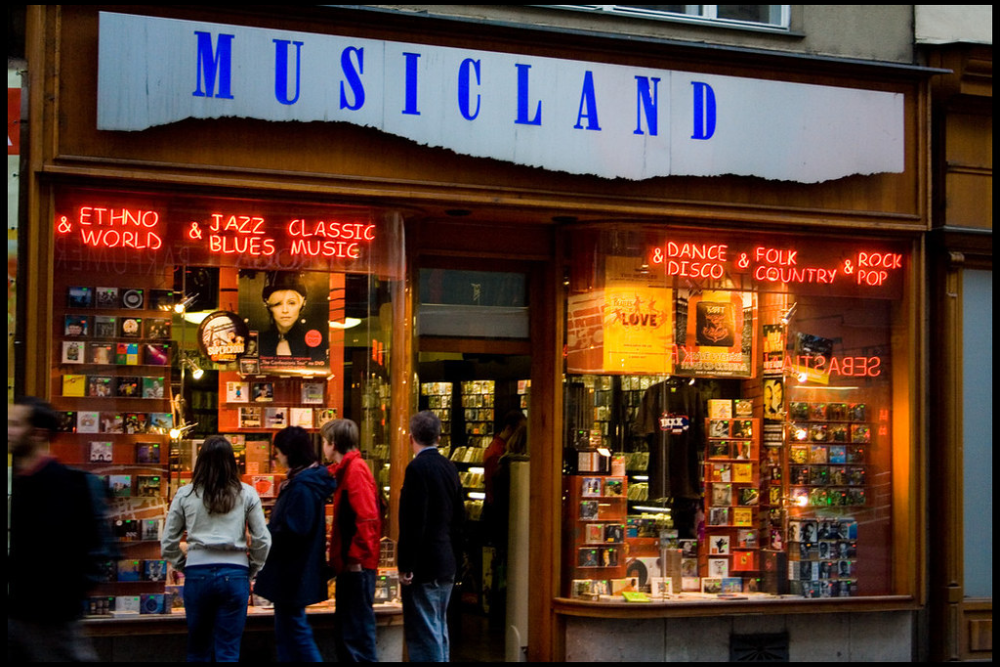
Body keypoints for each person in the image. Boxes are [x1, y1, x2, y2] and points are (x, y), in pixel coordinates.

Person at [8, 397, 113, 662]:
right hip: (25, 617)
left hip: (51, 620)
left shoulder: (61, 485)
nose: (8, 430)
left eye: (15, 424)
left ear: (37, 433)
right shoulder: (22, 481)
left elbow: (71, 554)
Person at [161, 435, 271, 662]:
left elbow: (168, 542)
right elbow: (262, 540)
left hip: (197, 574)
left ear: (200, 461)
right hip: (235, 573)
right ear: (232, 462)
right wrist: (252, 568)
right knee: (228, 651)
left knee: (197, 649)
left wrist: (184, 565)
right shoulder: (247, 493)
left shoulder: (185, 494)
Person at [254, 427, 336, 662]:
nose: (277, 457)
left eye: (279, 452)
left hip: (291, 571)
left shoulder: (302, 487)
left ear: (289, 453)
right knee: (289, 632)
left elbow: (295, 530)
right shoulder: (303, 482)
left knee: (295, 631)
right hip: (293, 571)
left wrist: (266, 533)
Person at [398, 411, 466, 662]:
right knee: (438, 627)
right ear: (439, 437)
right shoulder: (450, 467)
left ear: (411, 437)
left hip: (425, 564)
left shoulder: (416, 469)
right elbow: (460, 518)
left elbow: (413, 522)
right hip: (446, 560)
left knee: (425, 633)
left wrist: (406, 565)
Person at [322, 419, 381, 662]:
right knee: (351, 632)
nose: (323, 446)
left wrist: (355, 559)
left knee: (355, 635)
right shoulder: (347, 469)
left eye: (325, 441)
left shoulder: (355, 471)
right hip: (351, 564)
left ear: (333, 444)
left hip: (357, 567)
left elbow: (367, 518)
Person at [258, 271, 325, 362]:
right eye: (277, 304)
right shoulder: (259, 342)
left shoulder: (314, 342)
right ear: (267, 304)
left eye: (292, 303)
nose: (285, 310)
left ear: (303, 303)